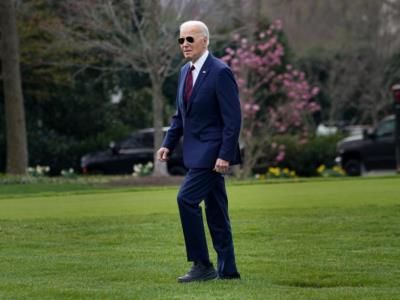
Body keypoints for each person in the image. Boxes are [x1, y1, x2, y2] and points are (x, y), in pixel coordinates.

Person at [157, 20, 242, 283]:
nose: (184, 45)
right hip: (197, 153)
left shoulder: (220, 72)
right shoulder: (185, 72)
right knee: (217, 212)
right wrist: (167, 143)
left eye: (190, 39)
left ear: (205, 40)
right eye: (181, 40)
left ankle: (202, 265)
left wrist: (225, 154)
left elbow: (233, 119)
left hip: (212, 154)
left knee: (186, 199)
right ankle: (228, 272)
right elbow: (180, 116)